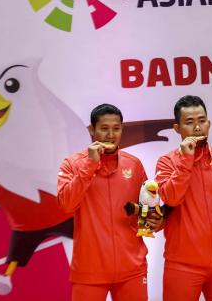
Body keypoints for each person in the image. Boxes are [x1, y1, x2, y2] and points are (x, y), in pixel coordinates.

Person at [57, 104, 161, 301]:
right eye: (104, 128)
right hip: (89, 271)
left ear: (122, 129)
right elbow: (66, 205)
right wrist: (89, 165)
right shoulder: (72, 164)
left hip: (132, 268)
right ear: (92, 130)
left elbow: (146, 210)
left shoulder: (134, 164)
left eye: (116, 128)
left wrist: (154, 220)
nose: (111, 134)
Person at [155, 95, 212, 301]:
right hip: (183, 266)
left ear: (209, 123)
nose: (197, 128)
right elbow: (171, 198)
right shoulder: (166, 162)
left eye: (201, 121)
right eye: (189, 122)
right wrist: (186, 160)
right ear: (177, 128)